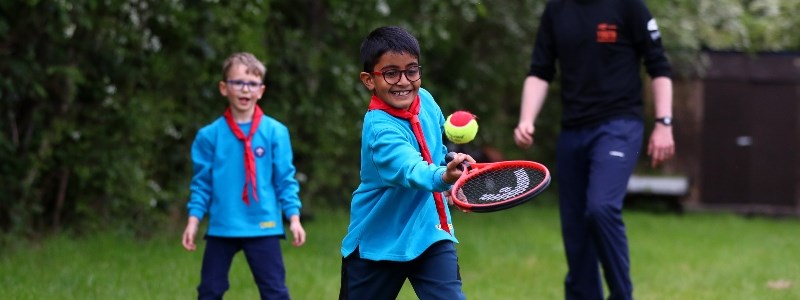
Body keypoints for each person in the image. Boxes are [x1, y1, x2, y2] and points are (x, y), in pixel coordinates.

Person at [513, 1, 676, 299]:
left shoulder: (630, 7)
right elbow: (540, 70)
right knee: (575, 227)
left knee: (601, 208)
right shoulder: (557, 9)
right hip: (573, 130)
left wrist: (664, 123)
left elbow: (659, 66)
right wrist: (526, 119)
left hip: (619, 126)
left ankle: (621, 294)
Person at [338, 26, 475, 300]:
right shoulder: (380, 130)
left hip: (430, 233)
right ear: (369, 80)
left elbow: (434, 150)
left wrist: (451, 163)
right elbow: (411, 169)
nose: (403, 81)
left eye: (411, 70)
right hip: (378, 242)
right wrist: (443, 177)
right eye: (390, 73)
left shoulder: (425, 100)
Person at [181, 52, 306, 300]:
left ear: (261, 90)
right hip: (223, 225)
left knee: (274, 292)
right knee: (209, 290)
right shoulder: (209, 136)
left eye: (252, 83)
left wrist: (293, 218)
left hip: (264, 224)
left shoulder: (275, 132)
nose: (244, 89)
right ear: (223, 88)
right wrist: (193, 221)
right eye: (238, 82)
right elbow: (202, 184)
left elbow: (285, 179)